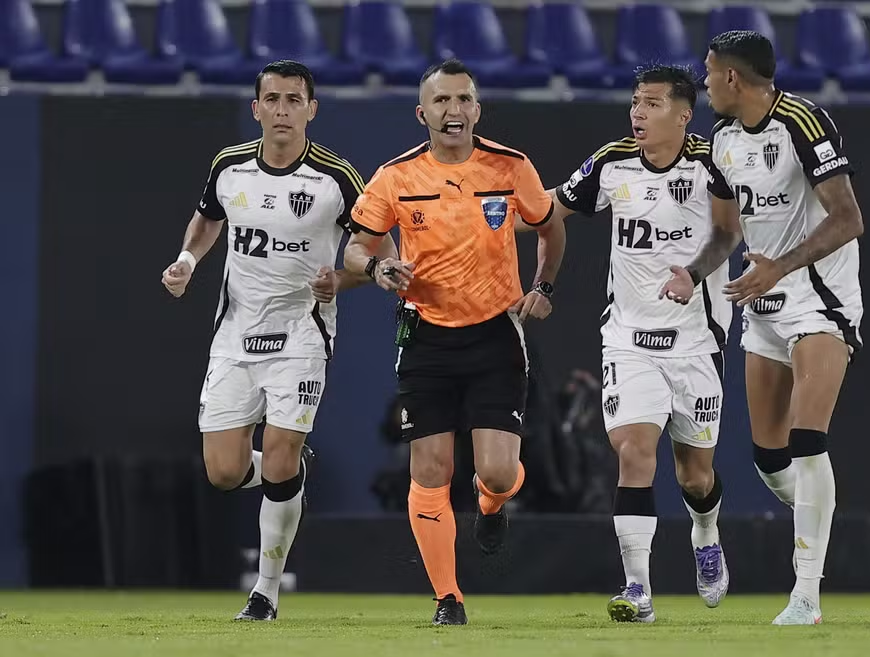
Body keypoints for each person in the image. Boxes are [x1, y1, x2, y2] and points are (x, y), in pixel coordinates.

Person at [161, 60, 397, 621]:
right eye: (272, 99)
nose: (282, 110)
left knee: (280, 452)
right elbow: (207, 220)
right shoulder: (229, 167)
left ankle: (265, 592)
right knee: (223, 471)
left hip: (301, 332)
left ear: (312, 109)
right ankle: (286, 472)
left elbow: (379, 255)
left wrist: (340, 279)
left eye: (294, 100)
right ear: (256, 108)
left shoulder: (337, 179)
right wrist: (188, 259)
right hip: (235, 333)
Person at [342, 58, 567, 626]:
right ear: (422, 113)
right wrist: (377, 269)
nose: (453, 110)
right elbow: (356, 247)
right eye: (441, 101)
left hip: (495, 333)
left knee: (497, 473)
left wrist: (543, 286)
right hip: (426, 337)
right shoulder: (395, 177)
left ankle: (491, 504)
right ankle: (449, 598)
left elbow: (549, 224)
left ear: (477, 109)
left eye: (463, 99)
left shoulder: (511, 166)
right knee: (430, 468)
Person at [661, 31, 865, 625]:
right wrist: (694, 272)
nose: (704, 84)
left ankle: (806, 593)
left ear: (732, 77)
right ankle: (817, 517)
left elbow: (849, 218)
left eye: (708, 73)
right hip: (764, 306)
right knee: (770, 457)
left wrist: (781, 265)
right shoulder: (725, 140)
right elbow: (727, 233)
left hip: (819, 300)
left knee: (808, 441)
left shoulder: (802, 121)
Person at [534, 64, 733, 622]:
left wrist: (693, 274)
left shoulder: (710, 164)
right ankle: (638, 589)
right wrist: (487, 212)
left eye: (651, 104)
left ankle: (706, 531)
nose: (638, 113)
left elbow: (727, 233)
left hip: (694, 341)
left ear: (683, 114)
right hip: (628, 339)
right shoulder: (611, 162)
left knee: (695, 476)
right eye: (635, 102)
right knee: (633, 452)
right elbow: (548, 208)